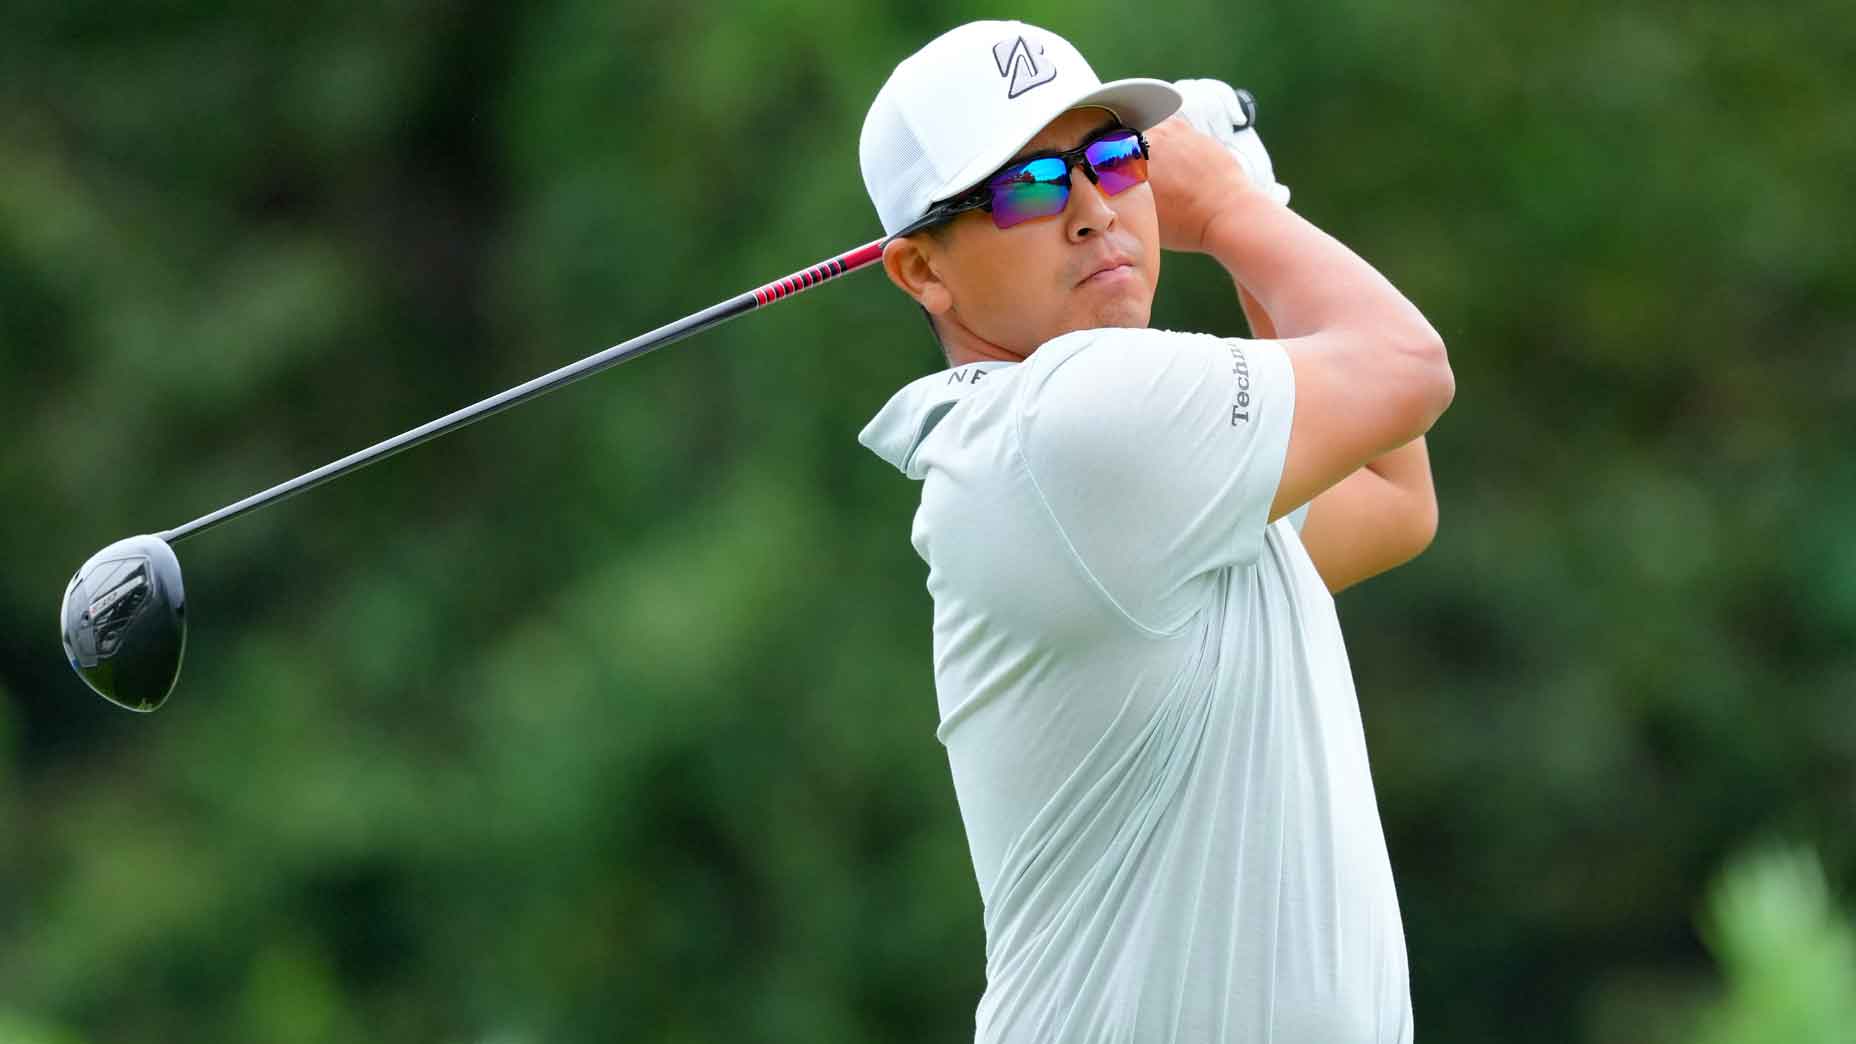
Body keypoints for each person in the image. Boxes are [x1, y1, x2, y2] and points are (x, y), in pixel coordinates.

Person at [856, 19, 1453, 1044]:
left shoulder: (1156, 472)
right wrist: (1225, 206)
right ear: (920, 272)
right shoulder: (1064, 425)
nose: (1092, 212)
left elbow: (1391, 498)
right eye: (1028, 188)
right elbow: (1408, 371)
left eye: (1112, 158)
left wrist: (1248, 204)